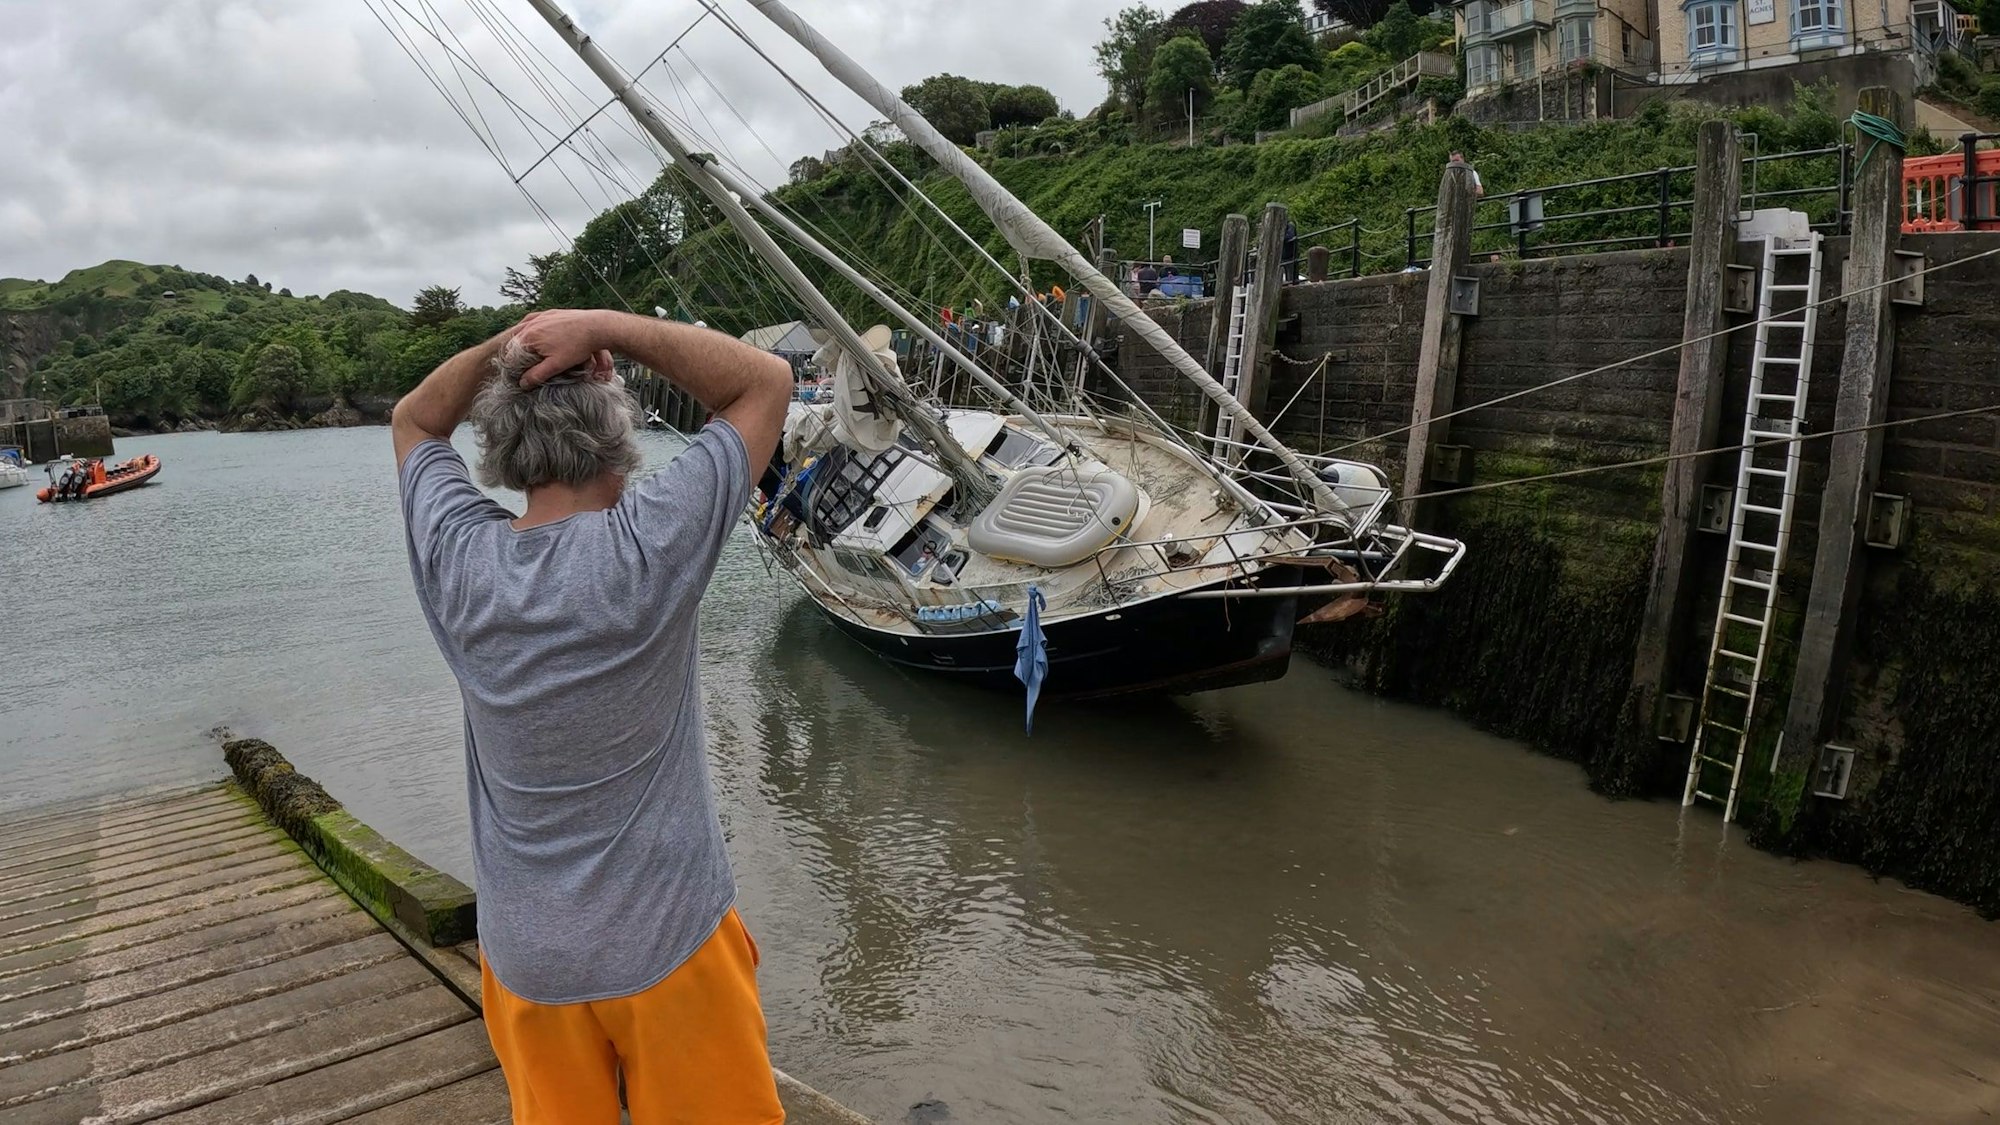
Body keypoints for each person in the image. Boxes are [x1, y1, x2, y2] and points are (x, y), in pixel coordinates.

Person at [392, 308, 793, 1124]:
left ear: (501, 446)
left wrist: (512, 350)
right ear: (619, 432)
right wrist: (603, 326)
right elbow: (765, 381)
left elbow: (415, 419)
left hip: (529, 962)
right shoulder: (648, 548)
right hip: (669, 948)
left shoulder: (463, 564)